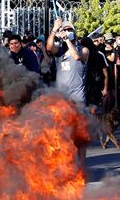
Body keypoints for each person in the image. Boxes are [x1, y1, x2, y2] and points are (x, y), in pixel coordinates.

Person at [46, 18, 89, 164]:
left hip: (77, 98)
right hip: (62, 100)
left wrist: (67, 40)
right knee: (63, 133)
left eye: (70, 30)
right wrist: (54, 29)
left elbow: (77, 56)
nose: (67, 32)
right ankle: (67, 165)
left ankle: (81, 165)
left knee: (79, 134)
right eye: (65, 30)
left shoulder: (83, 49)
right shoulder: (59, 52)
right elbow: (49, 47)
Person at [80, 37, 108, 110]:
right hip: (85, 84)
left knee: (93, 107)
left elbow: (105, 73)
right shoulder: (81, 54)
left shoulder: (99, 54)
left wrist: (105, 88)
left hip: (94, 84)